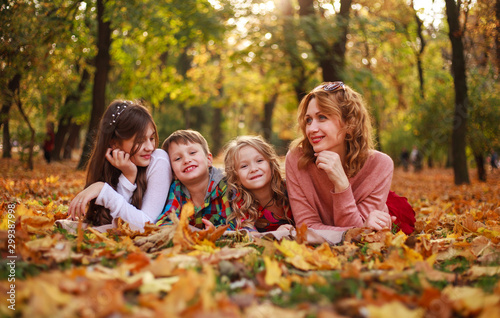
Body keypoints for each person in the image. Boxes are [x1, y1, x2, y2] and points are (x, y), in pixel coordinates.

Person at [286, 82, 415, 234]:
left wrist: (341, 184)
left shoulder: (380, 165)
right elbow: (307, 228)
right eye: (308, 120)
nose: (311, 129)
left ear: (350, 124)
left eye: (322, 117)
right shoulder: (297, 159)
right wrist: (359, 228)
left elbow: (358, 237)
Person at [67, 100, 172, 232]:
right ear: (114, 143)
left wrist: (103, 190)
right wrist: (128, 177)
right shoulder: (111, 167)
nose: (150, 147)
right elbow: (114, 225)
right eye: (140, 141)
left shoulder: (159, 160)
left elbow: (146, 226)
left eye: (151, 138)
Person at [156, 129, 231, 229]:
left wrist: (216, 231)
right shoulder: (176, 189)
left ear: (208, 159)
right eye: (178, 158)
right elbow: (164, 223)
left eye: (192, 153)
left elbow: (234, 224)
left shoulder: (224, 185)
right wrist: (196, 232)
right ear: (173, 173)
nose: (186, 160)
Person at [223, 135, 293, 232]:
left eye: (259, 161)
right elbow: (248, 234)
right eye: (244, 166)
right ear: (236, 177)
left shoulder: (289, 189)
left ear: (271, 164)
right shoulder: (241, 202)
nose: (254, 169)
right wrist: (276, 234)